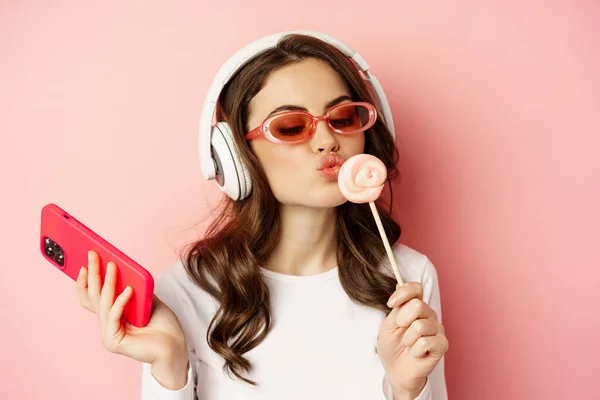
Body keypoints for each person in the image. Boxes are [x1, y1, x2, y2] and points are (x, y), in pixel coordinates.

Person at [75, 31, 449, 399]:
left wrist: (407, 390)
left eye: (344, 117)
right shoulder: (184, 293)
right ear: (235, 156)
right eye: (291, 127)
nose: (327, 140)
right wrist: (168, 368)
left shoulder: (407, 282)